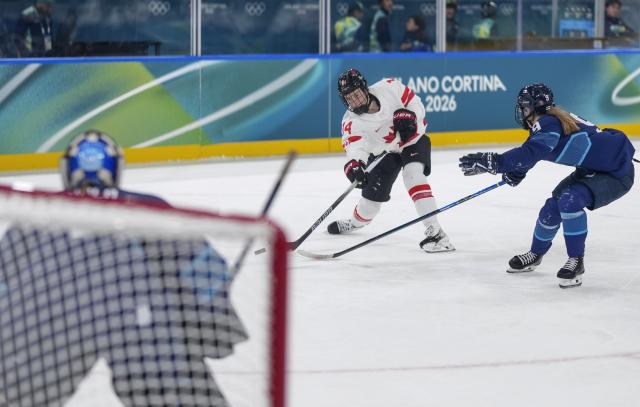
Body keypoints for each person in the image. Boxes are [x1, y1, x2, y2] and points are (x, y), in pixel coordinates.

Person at [1, 129, 246, 406]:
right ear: (116, 167)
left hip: (50, 331)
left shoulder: (34, 214)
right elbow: (205, 274)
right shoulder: (149, 209)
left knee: (21, 392)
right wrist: (216, 326)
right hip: (142, 331)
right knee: (171, 384)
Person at [458, 83, 636, 288]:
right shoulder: (547, 123)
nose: (523, 112)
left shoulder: (549, 124)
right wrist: (515, 173)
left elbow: (531, 153)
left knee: (570, 201)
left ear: (536, 107)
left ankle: (576, 261)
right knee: (552, 207)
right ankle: (535, 254)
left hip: (616, 174)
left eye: (525, 107)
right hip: (591, 170)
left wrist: (495, 162)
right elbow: (532, 153)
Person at [329, 68, 455, 253]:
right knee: (369, 206)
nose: (354, 101)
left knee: (413, 175)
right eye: (349, 98)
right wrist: (355, 164)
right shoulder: (351, 122)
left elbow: (417, 105)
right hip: (385, 153)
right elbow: (356, 148)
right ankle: (355, 223)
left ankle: (436, 232)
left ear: (364, 88)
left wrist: (410, 117)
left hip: (413, 140)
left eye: (356, 94)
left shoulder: (390, 87)